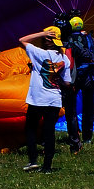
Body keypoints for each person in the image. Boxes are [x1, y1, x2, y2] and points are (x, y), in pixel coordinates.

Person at [19, 26, 72, 173]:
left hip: (37, 98)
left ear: (46, 40)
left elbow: (22, 40)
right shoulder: (64, 59)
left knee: (30, 129)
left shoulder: (39, 53)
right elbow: (67, 83)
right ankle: (47, 166)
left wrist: (42, 33)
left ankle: (33, 161)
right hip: (54, 99)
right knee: (49, 132)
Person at [63, 16, 94, 150]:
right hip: (88, 77)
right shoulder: (90, 39)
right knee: (89, 107)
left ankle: (74, 134)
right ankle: (87, 136)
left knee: (70, 108)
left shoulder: (66, 40)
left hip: (72, 78)